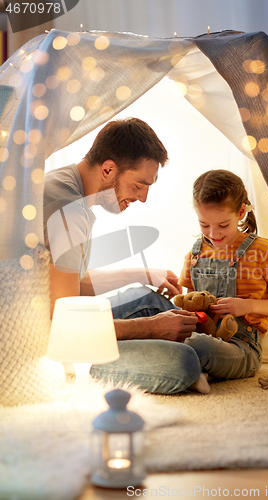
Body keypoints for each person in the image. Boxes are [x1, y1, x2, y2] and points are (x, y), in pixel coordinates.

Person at [44, 117, 201, 394]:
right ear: (108, 169)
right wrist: (150, 329)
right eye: (139, 185)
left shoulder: (65, 185)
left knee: (147, 296)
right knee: (183, 362)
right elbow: (64, 320)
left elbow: (69, 283)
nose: (143, 198)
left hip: (58, 316)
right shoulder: (70, 210)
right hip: (51, 339)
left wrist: (145, 274)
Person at [176, 169, 268, 393]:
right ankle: (193, 371)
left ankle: (191, 370)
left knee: (199, 348)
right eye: (204, 225)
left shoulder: (262, 250)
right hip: (200, 332)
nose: (213, 233)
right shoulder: (195, 254)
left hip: (243, 346)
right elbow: (186, 300)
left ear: (241, 212)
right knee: (178, 340)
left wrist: (248, 306)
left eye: (223, 225)